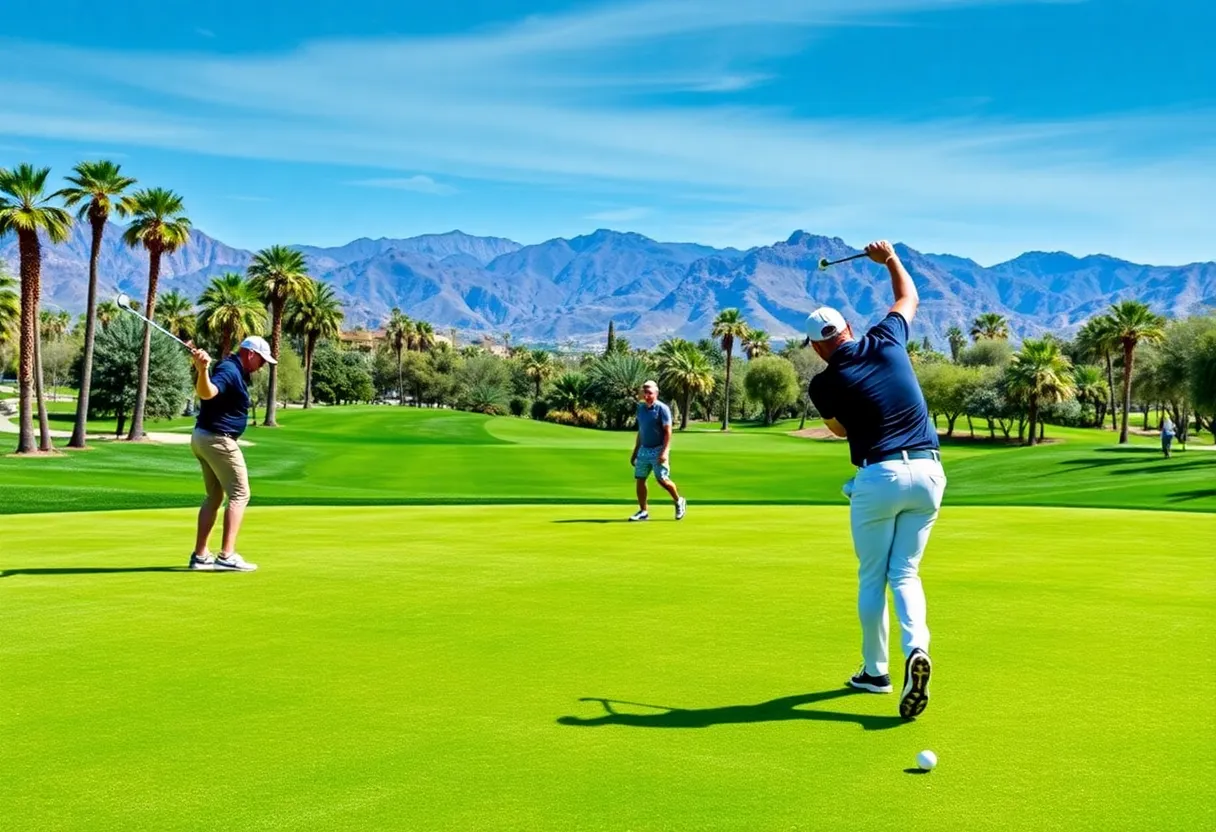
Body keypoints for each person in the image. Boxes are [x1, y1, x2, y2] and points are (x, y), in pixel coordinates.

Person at [806, 240, 945, 720]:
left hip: (878, 475)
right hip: (929, 472)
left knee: (873, 575)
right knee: (905, 571)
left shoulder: (822, 383)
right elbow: (909, 298)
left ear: (819, 346)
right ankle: (917, 647)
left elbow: (841, 431)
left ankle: (875, 672)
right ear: (847, 329)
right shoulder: (887, 338)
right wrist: (889, 259)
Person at [185, 336, 276, 572]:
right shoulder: (229, 369)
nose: (262, 366)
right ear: (251, 354)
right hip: (218, 439)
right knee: (240, 493)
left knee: (215, 497)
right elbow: (207, 393)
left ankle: (201, 555)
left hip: (203, 437)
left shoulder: (233, 369)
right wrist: (202, 369)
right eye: (262, 361)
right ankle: (227, 555)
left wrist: (203, 368)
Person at [629, 380, 687, 522]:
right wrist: (635, 451)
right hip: (644, 449)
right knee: (640, 479)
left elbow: (668, 432)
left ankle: (679, 501)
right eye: (645, 393)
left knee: (662, 480)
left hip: (658, 449)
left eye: (650, 393)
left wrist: (665, 452)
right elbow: (641, 431)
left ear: (656, 393)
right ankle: (643, 511)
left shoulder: (662, 409)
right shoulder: (641, 409)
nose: (647, 395)